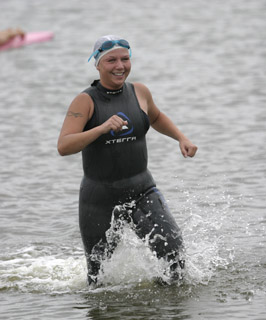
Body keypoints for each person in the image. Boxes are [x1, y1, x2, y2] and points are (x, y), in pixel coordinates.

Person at [57, 35, 197, 285]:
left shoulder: (139, 92)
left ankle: (167, 314)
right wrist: (100, 129)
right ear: (97, 64)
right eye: (111, 60)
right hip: (99, 199)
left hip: (142, 190)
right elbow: (64, 145)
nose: (120, 66)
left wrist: (180, 137)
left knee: (175, 260)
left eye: (125, 59)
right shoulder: (86, 101)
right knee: (97, 280)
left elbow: (155, 117)